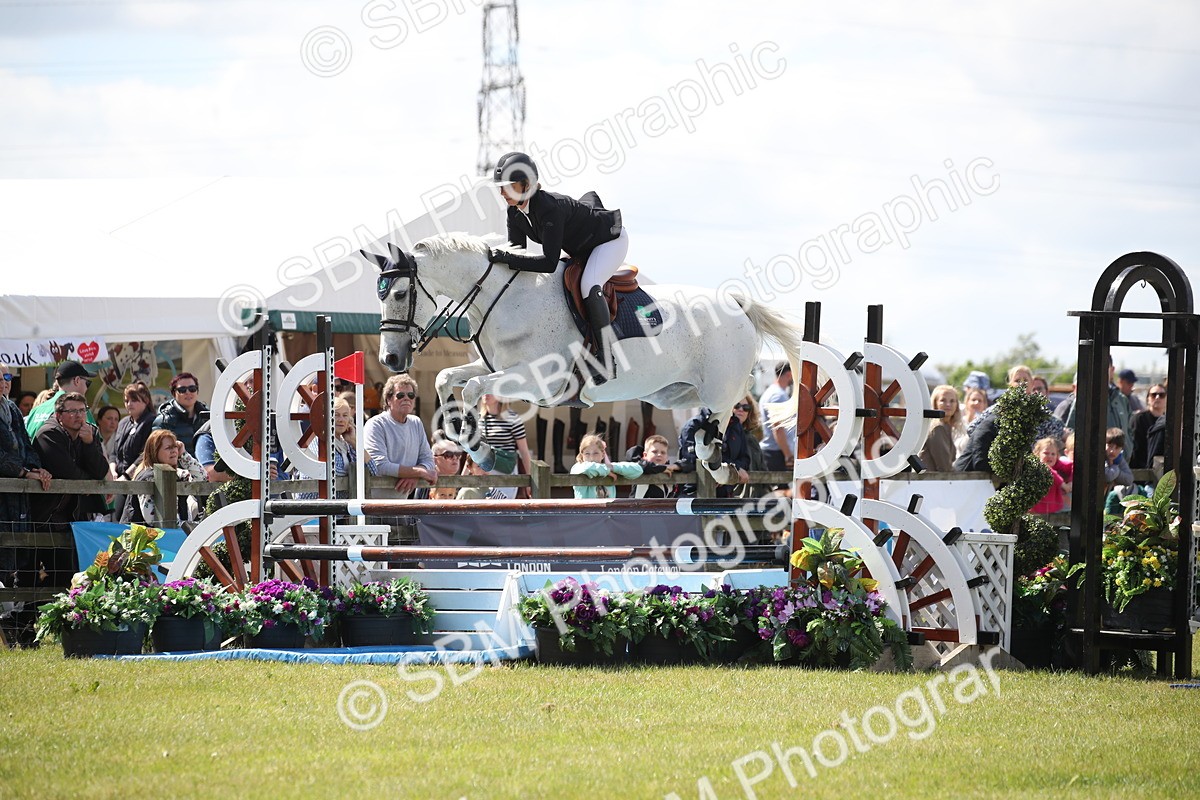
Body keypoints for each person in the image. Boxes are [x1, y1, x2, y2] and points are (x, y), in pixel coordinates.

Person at [487, 151, 627, 382]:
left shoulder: (549, 208)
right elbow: (516, 256)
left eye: (508, 186)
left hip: (609, 241)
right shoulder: (515, 213)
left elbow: (549, 263)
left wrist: (506, 257)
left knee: (588, 285)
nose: (502, 193)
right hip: (580, 249)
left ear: (526, 185)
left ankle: (606, 358)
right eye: (500, 187)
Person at [30, 392, 108, 526]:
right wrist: (90, 483)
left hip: (78, 514)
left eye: (82, 410)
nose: (79, 416)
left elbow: (101, 472)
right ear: (59, 415)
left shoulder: (90, 432)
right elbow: (67, 471)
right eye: (72, 411)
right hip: (48, 514)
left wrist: (89, 444)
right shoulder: (48, 433)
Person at [363, 374, 436, 497]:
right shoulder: (375, 424)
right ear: (388, 400)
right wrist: (419, 472)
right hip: (373, 507)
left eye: (411, 395)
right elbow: (378, 466)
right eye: (400, 395)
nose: (406, 398)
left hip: (402, 505)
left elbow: (428, 459)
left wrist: (415, 475)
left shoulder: (416, 423)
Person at [120, 430, 195, 526]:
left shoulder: (178, 473)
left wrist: (184, 454)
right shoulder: (146, 477)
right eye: (168, 448)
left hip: (175, 534)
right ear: (155, 452)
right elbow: (151, 518)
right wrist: (182, 527)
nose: (173, 451)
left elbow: (203, 478)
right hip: (143, 538)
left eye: (175, 446)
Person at [477, 394, 531, 500]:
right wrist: (463, 477)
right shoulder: (479, 419)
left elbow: (524, 451)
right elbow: (473, 452)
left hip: (506, 472)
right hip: (483, 471)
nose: (486, 394)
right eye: (483, 390)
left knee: (502, 508)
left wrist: (530, 480)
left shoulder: (512, 418)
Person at [24, 360, 97, 438]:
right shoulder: (79, 408)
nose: (86, 388)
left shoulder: (36, 410)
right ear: (77, 380)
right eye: (87, 383)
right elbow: (94, 439)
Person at [570, 433, 642, 499]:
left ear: (603, 455)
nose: (591, 458)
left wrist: (612, 468)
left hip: (608, 512)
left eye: (596, 453)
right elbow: (588, 468)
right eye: (587, 454)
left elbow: (638, 470)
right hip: (586, 512)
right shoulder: (578, 468)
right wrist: (607, 471)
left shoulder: (608, 468)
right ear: (582, 455)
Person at [152, 372, 208, 455]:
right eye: (182, 390)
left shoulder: (207, 417)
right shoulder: (164, 420)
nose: (188, 392)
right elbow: (155, 452)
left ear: (197, 391)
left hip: (205, 466)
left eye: (192, 389)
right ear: (174, 393)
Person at [111, 382, 156, 480]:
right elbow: (114, 453)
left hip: (140, 479)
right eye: (126, 401)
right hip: (118, 479)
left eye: (134, 400)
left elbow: (146, 455)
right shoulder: (123, 422)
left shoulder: (152, 422)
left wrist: (126, 476)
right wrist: (112, 472)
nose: (129, 404)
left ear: (146, 401)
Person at [758, 361, 794, 472]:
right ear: (789, 374)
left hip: (773, 452)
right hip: (777, 453)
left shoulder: (770, 392)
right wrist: (788, 455)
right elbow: (778, 428)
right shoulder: (778, 396)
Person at [629, 434, 681, 499]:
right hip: (638, 507)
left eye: (663, 452)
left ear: (667, 457)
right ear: (645, 455)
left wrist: (676, 466)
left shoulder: (669, 469)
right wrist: (662, 469)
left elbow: (688, 465)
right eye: (654, 452)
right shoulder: (640, 466)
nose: (659, 455)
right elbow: (644, 465)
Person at [1129, 383, 1167, 470]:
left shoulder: (1169, 421)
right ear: (1148, 399)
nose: (1157, 397)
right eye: (1154, 395)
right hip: (1140, 468)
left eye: (1162, 395)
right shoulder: (1138, 419)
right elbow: (1135, 448)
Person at [1030, 437, 1072, 515]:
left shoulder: (1058, 464)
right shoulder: (1038, 466)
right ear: (1038, 454)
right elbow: (1050, 472)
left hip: (1052, 505)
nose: (1050, 456)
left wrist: (1070, 481)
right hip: (1039, 505)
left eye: (1053, 454)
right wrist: (1063, 485)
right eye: (1046, 453)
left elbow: (1070, 467)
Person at [929, 384, 968, 459]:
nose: (948, 404)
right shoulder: (935, 428)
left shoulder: (960, 428)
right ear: (935, 403)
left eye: (952, 401)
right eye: (943, 400)